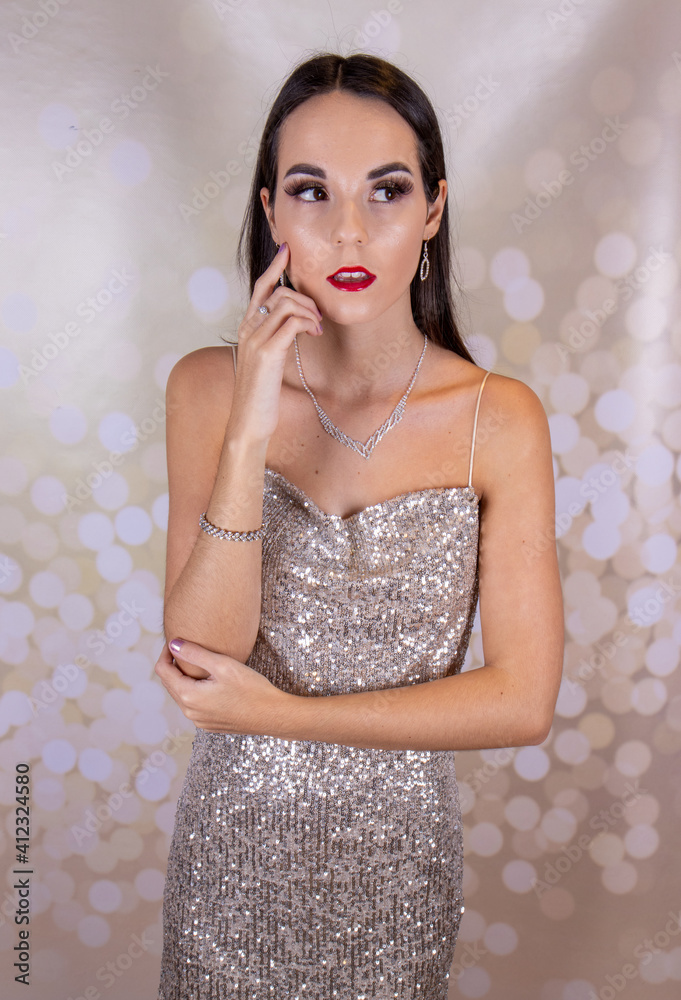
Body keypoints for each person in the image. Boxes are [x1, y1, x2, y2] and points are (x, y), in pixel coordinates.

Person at [154, 51, 564, 999]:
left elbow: (521, 700)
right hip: (229, 877)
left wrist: (284, 717)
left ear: (433, 210)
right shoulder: (205, 389)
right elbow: (198, 649)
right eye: (311, 191)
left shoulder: (498, 419)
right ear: (269, 214)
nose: (348, 228)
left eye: (386, 191)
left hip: (395, 889)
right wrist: (252, 418)